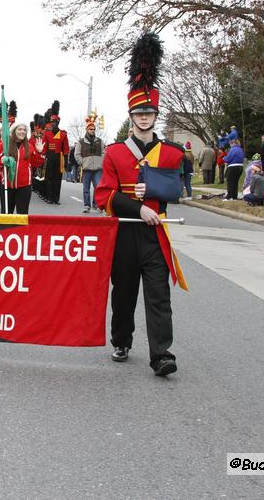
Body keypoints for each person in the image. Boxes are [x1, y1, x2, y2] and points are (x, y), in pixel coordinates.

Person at [95, 32, 185, 377]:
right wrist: (139, 207)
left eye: (149, 111)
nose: (144, 116)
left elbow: (176, 190)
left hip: (157, 234)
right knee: (124, 294)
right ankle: (121, 339)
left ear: (155, 114)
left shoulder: (172, 153)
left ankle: (162, 353)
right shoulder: (116, 153)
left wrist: (159, 196)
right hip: (126, 233)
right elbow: (105, 195)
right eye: (138, 112)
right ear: (130, 115)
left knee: (159, 295)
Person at [75, 113, 104, 213]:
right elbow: (77, 154)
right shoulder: (81, 142)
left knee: (98, 187)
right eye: (91, 129)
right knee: (86, 188)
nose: (93, 130)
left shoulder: (100, 141)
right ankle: (87, 205)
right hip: (87, 168)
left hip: (98, 169)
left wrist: (102, 162)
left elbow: (103, 153)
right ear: (87, 130)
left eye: (94, 129)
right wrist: (82, 162)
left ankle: (96, 204)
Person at [42, 102, 69, 204]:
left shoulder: (63, 134)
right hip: (49, 158)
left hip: (59, 159)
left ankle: (56, 198)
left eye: (55, 122)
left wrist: (66, 162)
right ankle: (49, 197)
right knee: (49, 178)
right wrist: (43, 157)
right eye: (52, 121)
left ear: (58, 122)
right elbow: (44, 147)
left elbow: (66, 149)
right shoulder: (47, 134)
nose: (53, 123)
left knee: (58, 179)